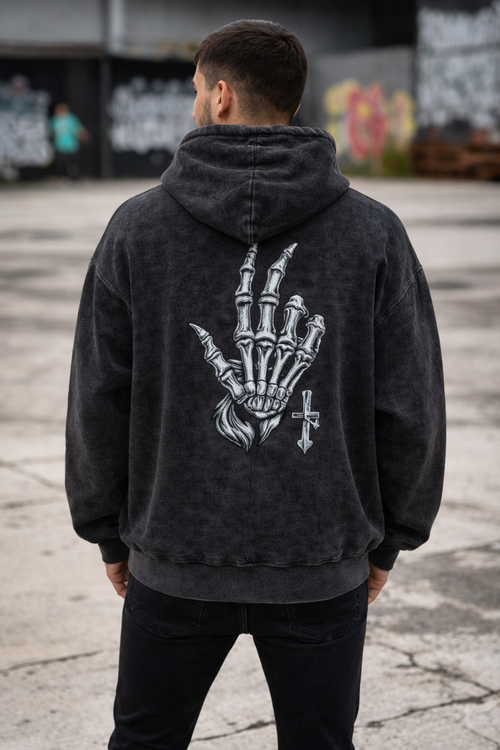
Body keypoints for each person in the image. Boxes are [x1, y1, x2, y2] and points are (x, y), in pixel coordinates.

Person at [65, 19, 446, 750]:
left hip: (174, 559)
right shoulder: (375, 233)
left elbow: (97, 398)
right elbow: (411, 407)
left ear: (219, 95)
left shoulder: (136, 228)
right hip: (321, 563)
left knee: (144, 741)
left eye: (194, 91)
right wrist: (391, 541)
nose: (194, 104)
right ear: (292, 100)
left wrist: (106, 529)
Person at [50, 103, 90, 179]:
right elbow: (51, 132)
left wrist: (84, 136)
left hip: (72, 144)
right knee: (62, 161)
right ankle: (64, 176)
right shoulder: (54, 120)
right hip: (60, 145)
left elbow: (78, 129)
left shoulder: (71, 118)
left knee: (73, 161)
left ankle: (74, 176)